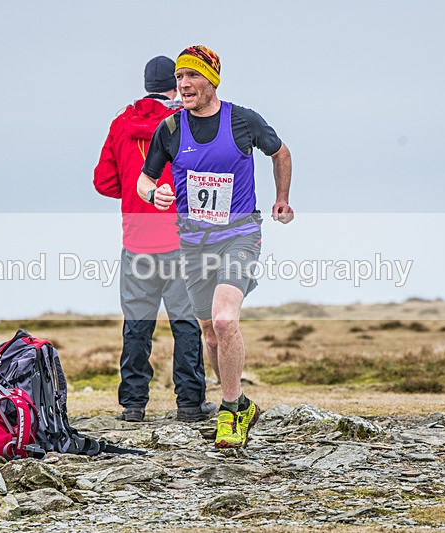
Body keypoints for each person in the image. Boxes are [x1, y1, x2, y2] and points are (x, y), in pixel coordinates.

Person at [136, 45, 294, 448]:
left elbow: (280, 151)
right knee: (209, 334)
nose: (183, 85)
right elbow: (144, 179)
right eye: (179, 79)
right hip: (193, 244)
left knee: (225, 321)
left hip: (240, 235)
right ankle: (240, 402)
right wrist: (153, 194)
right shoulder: (170, 130)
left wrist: (281, 198)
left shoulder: (242, 120)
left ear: (211, 80)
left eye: (192, 77)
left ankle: (228, 412)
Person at [94, 56, 213, 423]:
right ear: (175, 85)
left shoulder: (120, 124)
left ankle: (133, 405)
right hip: (183, 241)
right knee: (186, 323)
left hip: (136, 242)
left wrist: (137, 194)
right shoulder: (188, 123)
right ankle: (190, 404)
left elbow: (104, 182)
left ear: (146, 83)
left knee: (137, 325)